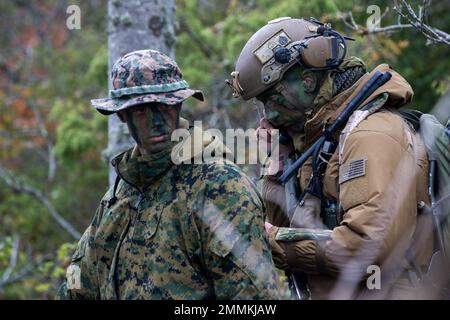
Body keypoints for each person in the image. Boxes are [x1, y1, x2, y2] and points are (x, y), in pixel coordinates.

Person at [228, 17, 436, 299]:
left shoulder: (371, 134)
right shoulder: (318, 141)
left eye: (272, 99)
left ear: (308, 80)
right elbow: (291, 227)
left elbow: (367, 246)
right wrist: (277, 163)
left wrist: (271, 241)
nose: (269, 116)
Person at [56, 49, 282, 300]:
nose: (157, 121)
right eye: (142, 110)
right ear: (122, 114)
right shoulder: (118, 195)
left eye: (165, 106)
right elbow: (78, 286)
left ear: (179, 105)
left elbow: (255, 300)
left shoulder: (219, 186)